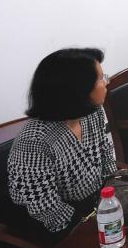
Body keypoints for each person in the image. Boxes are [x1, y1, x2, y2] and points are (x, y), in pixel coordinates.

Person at [7, 48, 117, 233]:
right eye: (100, 78)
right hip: (55, 228)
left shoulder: (92, 112)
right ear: (78, 89)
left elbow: (105, 153)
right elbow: (46, 209)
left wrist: (114, 192)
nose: (107, 81)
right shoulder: (34, 142)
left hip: (95, 205)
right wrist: (92, 226)